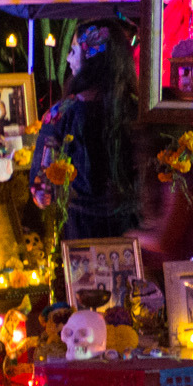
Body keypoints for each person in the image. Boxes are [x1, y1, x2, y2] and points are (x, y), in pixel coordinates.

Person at [32, 20, 145, 240]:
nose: (68, 58)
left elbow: (42, 190)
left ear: (92, 58)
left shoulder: (61, 114)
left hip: (81, 233)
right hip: (133, 231)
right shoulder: (138, 110)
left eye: (73, 51)